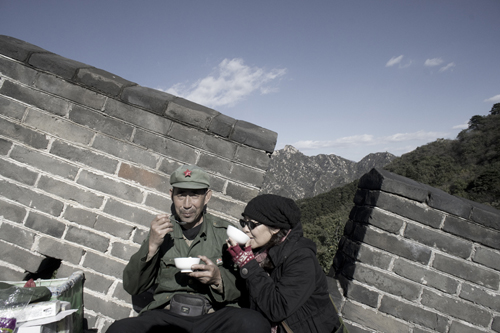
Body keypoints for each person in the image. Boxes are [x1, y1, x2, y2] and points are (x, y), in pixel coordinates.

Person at [107, 165, 270, 333]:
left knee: (254, 324)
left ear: (207, 197)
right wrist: (152, 246)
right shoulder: (161, 232)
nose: (186, 204)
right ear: (171, 195)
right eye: (181, 195)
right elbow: (132, 287)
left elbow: (245, 290)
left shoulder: (225, 234)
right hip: (167, 316)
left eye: (194, 196)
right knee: (119, 329)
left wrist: (218, 280)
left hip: (213, 317)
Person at [227, 194, 348, 333]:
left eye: (252, 224)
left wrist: (247, 264)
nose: (245, 229)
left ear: (275, 228)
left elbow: (277, 308)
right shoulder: (262, 251)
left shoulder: (301, 259)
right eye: (244, 222)